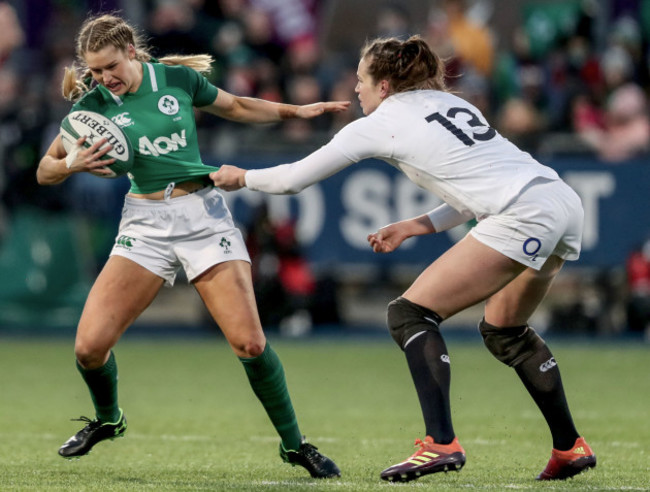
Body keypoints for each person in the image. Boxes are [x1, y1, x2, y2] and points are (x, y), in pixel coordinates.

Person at [211, 35, 597, 482]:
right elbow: (480, 186)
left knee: (409, 313)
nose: (356, 89)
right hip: (558, 200)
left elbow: (294, 179)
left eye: (361, 80)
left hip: (523, 212)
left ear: (386, 86)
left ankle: (440, 442)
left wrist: (242, 177)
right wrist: (417, 225)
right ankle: (570, 447)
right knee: (505, 330)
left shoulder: (381, 122)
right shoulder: (449, 104)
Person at [36, 13, 350, 479]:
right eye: (95, 71)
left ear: (131, 52)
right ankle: (108, 419)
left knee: (249, 342)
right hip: (143, 224)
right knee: (88, 349)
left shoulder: (176, 80)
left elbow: (239, 107)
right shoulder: (93, 108)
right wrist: (71, 165)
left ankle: (295, 445)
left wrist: (293, 112)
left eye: (110, 67)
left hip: (203, 217)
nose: (104, 79)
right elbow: (45, 170)